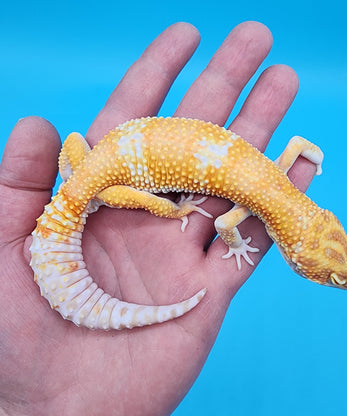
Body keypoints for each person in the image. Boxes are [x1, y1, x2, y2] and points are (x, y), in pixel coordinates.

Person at [0, 22, 316, 415]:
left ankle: (84, 190)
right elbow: (222, 225)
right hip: (105, 182)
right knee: (166, 204)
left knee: (79, 151)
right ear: (291, 253)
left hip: (88, 164)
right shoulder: (267, 194)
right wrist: (174, 209)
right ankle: (161, 205)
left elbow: (75, 144)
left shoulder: (275, 178)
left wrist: (74, 183)